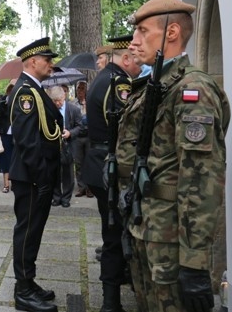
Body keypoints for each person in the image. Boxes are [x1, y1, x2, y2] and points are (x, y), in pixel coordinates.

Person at [117, 0, 230, 312]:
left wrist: (194, 259)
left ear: (171, 32)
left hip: (171, 235)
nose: (134, 41)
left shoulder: (191, 89)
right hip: (148, 223)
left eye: (142, 31)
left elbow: (201, 178)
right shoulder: (157, 84)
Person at [83, 34, 141, 312]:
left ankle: (112, 297)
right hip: (112, 164)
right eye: (137, 61)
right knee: (115, 234)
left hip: (99, 162)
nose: (140, 67)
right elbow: (125, 128)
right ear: (125, 58)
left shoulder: (103, 77)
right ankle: (111, 302)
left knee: (111, 232)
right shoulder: (119, 82)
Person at [8, 37, 62, 312]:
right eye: (47, 60)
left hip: (38, 174)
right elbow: (27, 141)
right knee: (27, 233)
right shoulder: (26, 92)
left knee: (34, 232)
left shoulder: (35, 88)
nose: (51, 64)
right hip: (31, 176)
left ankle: (28, 281)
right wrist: (42, 178)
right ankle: (23, 290)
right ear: (32, 62)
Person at [48, 85, 82, 208]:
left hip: (69, 145)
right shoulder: (49, 110)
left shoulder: (74, 109)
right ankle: (56, 197)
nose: (58, 103)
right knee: (55, 172)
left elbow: (80, 127)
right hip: (54, 145)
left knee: (68, 174)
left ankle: (66, 198)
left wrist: (70, 133)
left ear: (64, 97)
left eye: (59, 101)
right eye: (55, 101)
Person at [0, 80, 16, 193]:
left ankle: (15, 183)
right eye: (10, 92)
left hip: (17, 136)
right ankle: (6, 184)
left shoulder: (20, 104)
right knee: (5, 160)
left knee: (15, 159)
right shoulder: (3, 104)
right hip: (5, 135)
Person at [72, 81, 91, 198]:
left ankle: (90, 188)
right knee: (78, 163)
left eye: (82, 89)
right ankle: (81, 187)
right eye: (78, 89)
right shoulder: (73, 103)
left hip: (89, 136)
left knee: (88, 162)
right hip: (77, 137)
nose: (80, 91)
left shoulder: (90, 102)